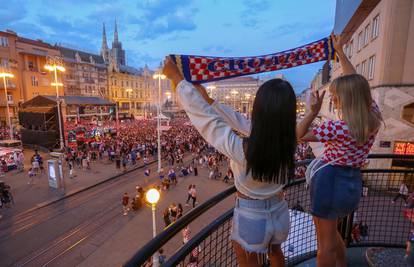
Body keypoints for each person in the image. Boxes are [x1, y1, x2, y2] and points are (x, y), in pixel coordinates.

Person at [163, 57, 294, 267]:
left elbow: (209, 124)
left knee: (247, 260)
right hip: (279, 210)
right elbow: (241, 122)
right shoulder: (289, 139)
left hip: (252, 214)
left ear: (259, 109)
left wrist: (178, 80)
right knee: (275, 251)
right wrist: (210, 101)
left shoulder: (244, 150)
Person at [297, 34, 382, 267]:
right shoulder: (373, 117)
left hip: (329, 183)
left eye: (335, 98)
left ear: (347, 99)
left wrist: (312, 113)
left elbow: (299, 135)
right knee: (332, 234)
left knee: (323, 246)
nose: (334, 101)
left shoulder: (337, 128)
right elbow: (355, 81)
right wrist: (340, 52)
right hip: (351, 184)